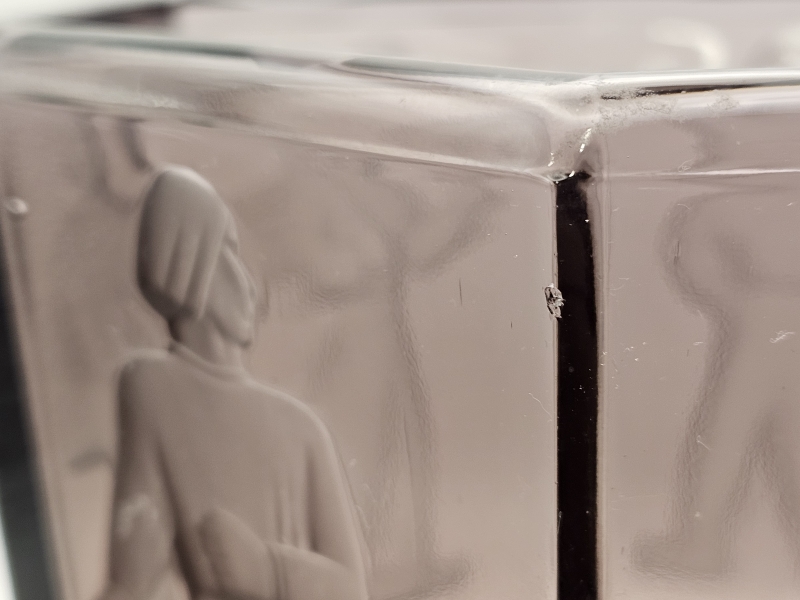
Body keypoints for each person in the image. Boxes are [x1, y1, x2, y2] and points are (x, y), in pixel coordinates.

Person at [104, 166, 368, 600]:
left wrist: (268, 569)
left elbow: (352, 587)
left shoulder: (303, 427)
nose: (249, 282)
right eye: (227, 249)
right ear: (186, 258)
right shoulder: (153, 387)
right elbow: (132, 575)